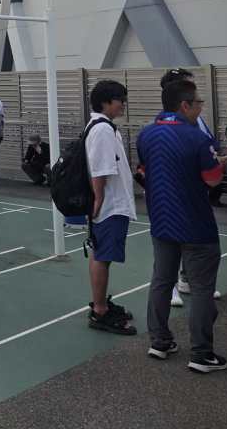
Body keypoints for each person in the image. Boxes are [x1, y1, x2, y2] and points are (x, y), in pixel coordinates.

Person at [139, 78, 227, 372]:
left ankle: (159, 341)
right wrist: (221, 162)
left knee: (161, 280)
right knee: (201, 288)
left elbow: (144, 171)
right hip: (196, 223)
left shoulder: (146, 135)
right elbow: (213, 179)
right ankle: (201, 353)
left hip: (161, 220)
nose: (201, 108)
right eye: (199, 103)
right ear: (185, 105)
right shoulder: (197, 139)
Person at [161, 68, 224, 308]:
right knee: (170, 242)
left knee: (192, 237)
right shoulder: (163, 124)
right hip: (171, 193)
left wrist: (217, 159)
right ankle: (171, 287)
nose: (196, 92)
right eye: (189, 85)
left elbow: (209, 144)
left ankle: (186, 279)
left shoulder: (197, 120)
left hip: (195, 191)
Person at [84, 80, 137, 335]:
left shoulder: (100, 126)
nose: (123, 105)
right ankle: (100, 311)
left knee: (100, 254)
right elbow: (101, 169)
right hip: (110, 205)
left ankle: (101, 304)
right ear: (106, 102)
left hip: (109, 204)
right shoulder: (103, 129)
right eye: (120, 100)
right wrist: (99, 199)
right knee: (102, 256)